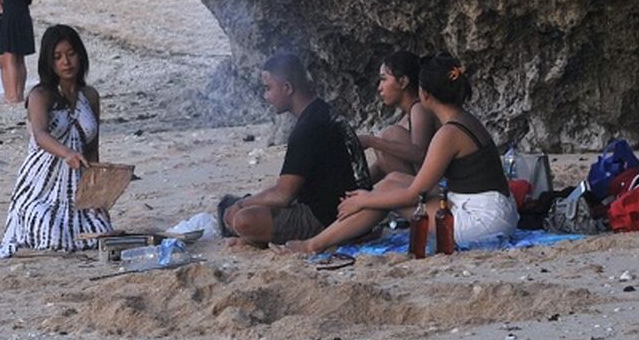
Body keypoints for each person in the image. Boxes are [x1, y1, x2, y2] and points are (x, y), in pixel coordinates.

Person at [286, 54, 519, 254]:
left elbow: (413, 195)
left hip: (483, 221)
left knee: (386, 195)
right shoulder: (464, 119)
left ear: (425, 94)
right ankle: (338, 234)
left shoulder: (449, 133)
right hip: (491, 208)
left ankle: (313, 244)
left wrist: (366, 200)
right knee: (393, 180)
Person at [0, 24, 111, 259]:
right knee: (49, 233)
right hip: (40, 186)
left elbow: (92, 148)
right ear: (48, 62)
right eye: (57, 57)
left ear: (81, 55)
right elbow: (41, 135)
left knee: (101, 231)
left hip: (76, 189)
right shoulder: (40, 95)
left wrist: (96, 193)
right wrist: (67, 153)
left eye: (71, 54)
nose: (66, 62)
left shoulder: (90, 96)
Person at [221, 53, 373, 247]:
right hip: (354, 209)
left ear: (287, 88)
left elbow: (283, 195)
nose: (266, 96)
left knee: (242, 219)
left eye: (268, 88)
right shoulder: (324, 111)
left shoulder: (306, 129)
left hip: (329, 217)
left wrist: (242, 204)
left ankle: (254, 236)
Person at [358, 51, 439, 181]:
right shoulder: (408, 115)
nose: (379, 87)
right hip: (419, 186)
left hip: (432, 189)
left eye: (384, 79)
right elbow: (382, 164)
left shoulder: (420, 108)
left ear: (403, 81)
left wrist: (371, 141)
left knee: (390, 135)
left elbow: (420, 154)